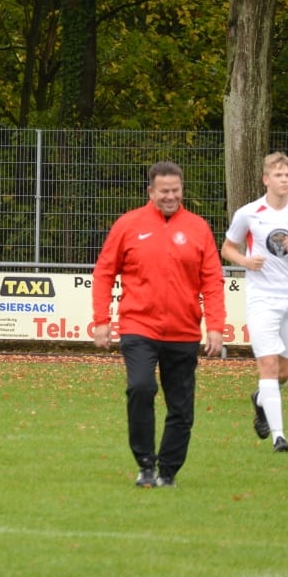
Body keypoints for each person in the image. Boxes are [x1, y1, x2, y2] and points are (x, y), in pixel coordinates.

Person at [91, 161, 225, 488]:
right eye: (164, 191)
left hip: (183, 331)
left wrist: (216, 326)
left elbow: (212, 281)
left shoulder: (198, 228)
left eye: (175, 191)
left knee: (181, 408)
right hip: (139, 326)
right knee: (141, 388)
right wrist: (101, 320)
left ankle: (168, 471)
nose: (170, 196)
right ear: (150, 191)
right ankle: (145, 464)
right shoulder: (128, 225)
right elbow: (104, 273)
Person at [222, 152, 288, 454]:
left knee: (283, 373)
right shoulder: (249, 213)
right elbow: (228, 248)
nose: (284, 180)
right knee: (267, 364)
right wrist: (245, 262)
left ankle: (260, 399)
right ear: (266, 179)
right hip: (262, 297)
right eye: (278, 175)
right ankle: (279, 437)